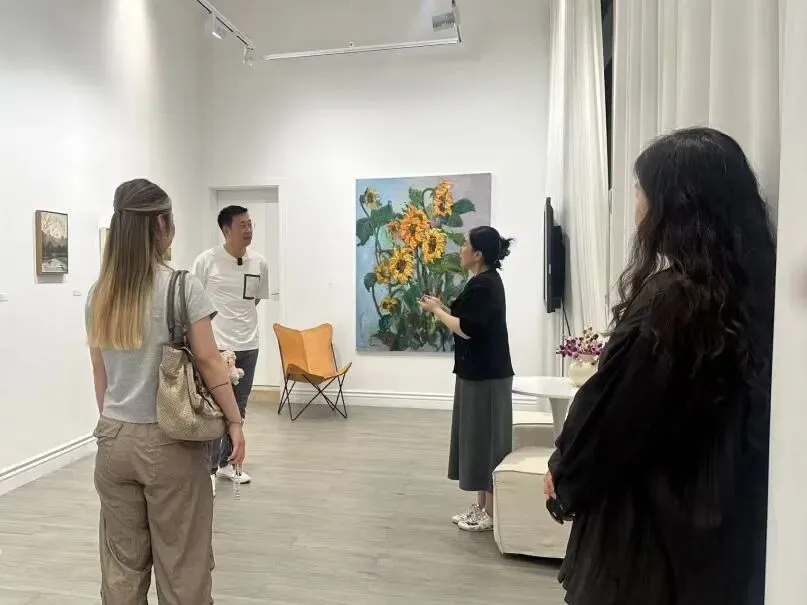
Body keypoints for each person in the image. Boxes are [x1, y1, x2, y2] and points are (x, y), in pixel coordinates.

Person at [545, 127, 775, 605]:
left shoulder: (671, 300)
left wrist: (564, 477)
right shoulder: (753, 292)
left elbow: (613, 412)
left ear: (674, 206)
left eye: (640, 190)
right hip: (727, 523)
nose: (636, 203)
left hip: (652, 534)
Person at [86, 179, 246, 604]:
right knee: (183, 567)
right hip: (170, 441)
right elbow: (210, 361)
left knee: (122, 571)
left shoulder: (99, 293)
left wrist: (116, 424)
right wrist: (234, 420)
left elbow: (100, 371)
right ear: (161, 224)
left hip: (113, 439)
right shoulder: (181, 285)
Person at [419, 225, 515, 532]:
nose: (460, 248)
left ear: (478, 254)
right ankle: (481, 506)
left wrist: (437, 312)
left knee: (486, 441)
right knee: (478, 439)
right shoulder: (482, 282)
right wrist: (441, 308)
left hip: (486, 377)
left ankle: (490, 513)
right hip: (478, 373)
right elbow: (469, 321)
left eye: (465, 244)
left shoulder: (485, 285)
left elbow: (467, 329)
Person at [192, 205, 269, 490]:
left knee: (239, 407)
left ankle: (228, 463)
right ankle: (209, 470)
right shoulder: (206, 261)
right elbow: (194, 302)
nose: (248, 230)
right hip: (216, 347)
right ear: (226, 230)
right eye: (242, 225)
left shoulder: (259, 263)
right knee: (214, 408)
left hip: (248, 344)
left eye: (250, 224)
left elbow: (255, 300)